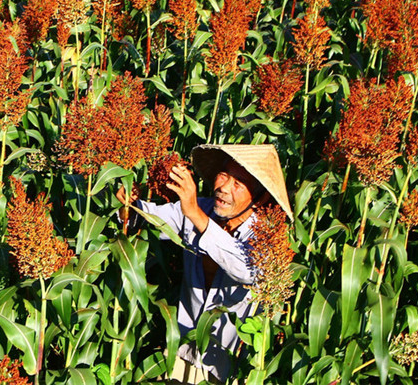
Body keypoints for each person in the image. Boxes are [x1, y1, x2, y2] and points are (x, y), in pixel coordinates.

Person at [115, 144, 293, 385]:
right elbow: (152, 216)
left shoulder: (265, 236)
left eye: (239, 183)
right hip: (181, 353)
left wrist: (195, 213)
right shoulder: (202, 208)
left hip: (226, 367)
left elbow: (248, 269)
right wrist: (130, 205)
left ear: (260, 196)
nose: (224, 188)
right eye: (224, 175)